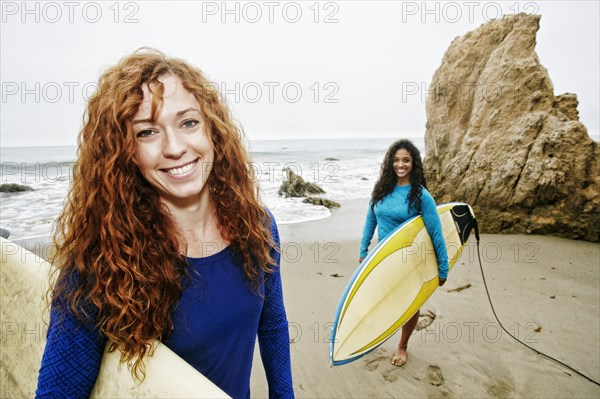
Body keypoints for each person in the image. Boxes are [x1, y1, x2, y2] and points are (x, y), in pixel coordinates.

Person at [35, 49, 294, 399]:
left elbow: (272, 324)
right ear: (124, 152)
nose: (174, 148)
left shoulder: (258, 226)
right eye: (147, 132)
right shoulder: (101, 260)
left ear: (212, 131)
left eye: (188, 122)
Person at [359, 139, 449, 367]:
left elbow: (436, 233)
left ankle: (402, 345)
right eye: (396, 160)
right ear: (390, 162)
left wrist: (443, 267)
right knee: (377, 299)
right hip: (382, 258)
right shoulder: (381, 190)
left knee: (409, 304)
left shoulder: (420, 195)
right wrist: (363, 250)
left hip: (409, 260)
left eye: (406, 160)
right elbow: (371, 220)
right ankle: (372, 337)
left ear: (413, 163)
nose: (401, 165)